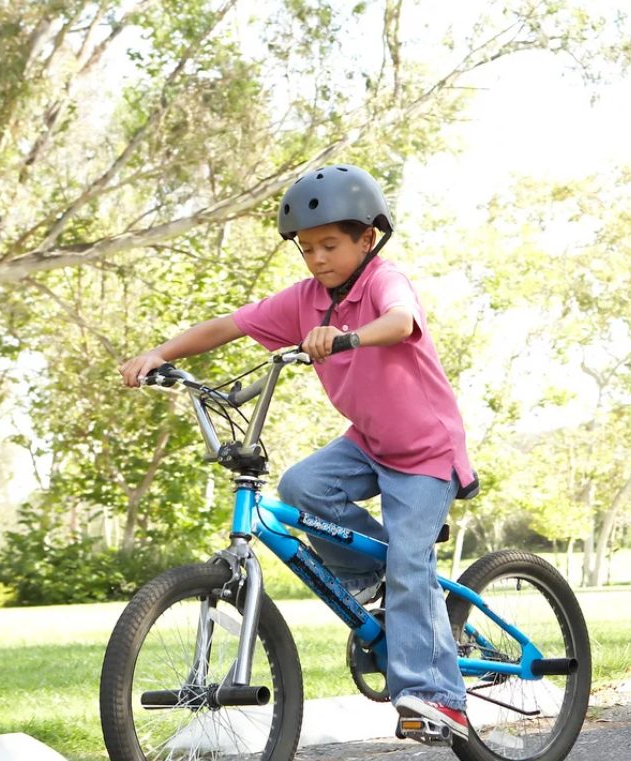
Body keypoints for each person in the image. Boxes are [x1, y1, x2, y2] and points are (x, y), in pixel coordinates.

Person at [118, 165, 476, 741]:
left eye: (329, 245)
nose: (316, 258)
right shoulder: (306, 300)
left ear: (368, 238)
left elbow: (400, 319)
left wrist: (348, 337)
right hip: (368, 442)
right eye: (306, 248)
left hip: (426, 451)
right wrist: (159, 353)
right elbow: (229, 326)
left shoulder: (385, 282)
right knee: (302, 487)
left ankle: (438, 697)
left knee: (411, 566)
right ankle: (383, 576)